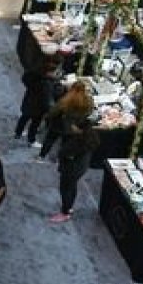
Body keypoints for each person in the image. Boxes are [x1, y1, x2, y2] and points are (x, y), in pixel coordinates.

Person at [46, 83, 99, 223]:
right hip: (80, 165)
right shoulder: (88, 136)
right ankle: (68, 208)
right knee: (72, 185)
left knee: (66, 187)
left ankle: (65, 212)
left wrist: (62, 155)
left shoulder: (76, 140)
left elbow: (66, 151)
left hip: (72, 165)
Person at [14, 56, 59, 146]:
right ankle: (31, 140)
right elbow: (47, 99)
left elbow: (25, 78)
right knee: (35, 124)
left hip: (28, 101)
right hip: (38, 107)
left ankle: (18, 133)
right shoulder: (47, 83)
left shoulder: (34, 76)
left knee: (24, 118)